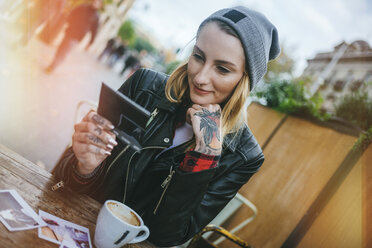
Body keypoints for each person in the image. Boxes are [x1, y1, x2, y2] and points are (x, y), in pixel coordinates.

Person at [52, 6, 280, 246]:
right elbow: (60, 178)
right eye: (198, 56)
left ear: (244, 81)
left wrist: (204, 158)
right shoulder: (144, 85)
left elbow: (167, 237)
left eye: (222, 69)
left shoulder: (245, 156)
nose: (201, 77)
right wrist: (84, 168)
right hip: (76, 227)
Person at [45, 0, 102, 73]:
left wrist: (90, 42)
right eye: (95, 1)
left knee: (65, 51)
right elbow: (73, 12)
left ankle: (53, 66)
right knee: (61, 47)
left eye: (97, 3)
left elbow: (94, 31)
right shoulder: (83, 7)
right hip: (69, 31)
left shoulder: (96, 17)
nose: (95, 3)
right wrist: (69, 22)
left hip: (77, 37)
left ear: (100, 6)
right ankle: (54, 62)